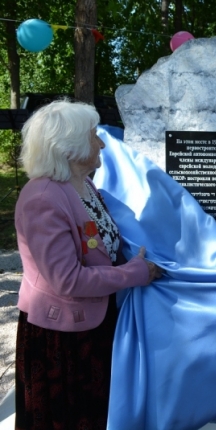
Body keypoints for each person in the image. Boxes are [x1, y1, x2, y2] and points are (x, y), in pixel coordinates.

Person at [14, 100, 162, 429]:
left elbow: (102, 246)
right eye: (93, 135)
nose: (102, 143)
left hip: (91, 326)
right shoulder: (42, 198)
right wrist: (134, 273)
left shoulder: (83, 185)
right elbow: (68, 280)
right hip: (60, 339)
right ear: (70, 147)